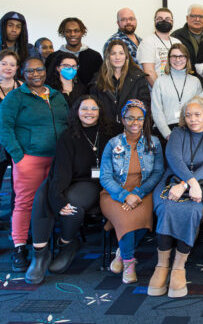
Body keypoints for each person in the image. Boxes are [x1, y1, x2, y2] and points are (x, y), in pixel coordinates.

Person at [25, 95, 116, 284]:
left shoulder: (111, 132)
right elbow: (61, 170)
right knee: (43, 195)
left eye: (93, 109)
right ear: (77, 111)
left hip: (91, 183)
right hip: (68, 178)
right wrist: (58, 199)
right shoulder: (68, 135)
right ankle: (40, 253)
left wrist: (62, 201)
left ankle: (66, 244)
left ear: (100, 112)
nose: (89, 113)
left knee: (72, 204)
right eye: (84, 108)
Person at [0, 56, 69, 271]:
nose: (35, 74)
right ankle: (20, 248)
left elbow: (67, 122)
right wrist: (18, 156)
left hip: (57, 159)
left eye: (39, 70)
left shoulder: (57, 96)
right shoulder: (15, 97)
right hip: (29, 159)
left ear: (45, 72)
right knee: (25, 203)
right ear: (24, 73)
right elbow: (4, 128)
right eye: (30, 71)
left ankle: (46, 243)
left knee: (51, 200)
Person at [150, 96, 203, 298]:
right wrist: (187, 183)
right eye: (188, 115)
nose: (192, 119)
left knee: (192, 210)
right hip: (172, 181)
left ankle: (179, 267)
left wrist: (189, 184)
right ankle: (162, 264)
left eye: (197, 114)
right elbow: (174, 160)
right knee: (166, 206)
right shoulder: (177, 134)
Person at [100, 100, 164, 284]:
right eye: (130, 118)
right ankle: (129, 262)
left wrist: (138, 193)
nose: (135, 122)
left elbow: (158, 172)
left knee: (143, 219)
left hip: (144, 191)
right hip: (114, 193)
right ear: (122, 119)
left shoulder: (154, 143)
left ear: (144, 120)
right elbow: (105, 177)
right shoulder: (113, 144)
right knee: (126, 218)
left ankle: (121, 253)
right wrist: (124, 196)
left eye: (139, 118)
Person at [90, 39, 150, 127]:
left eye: (121, 53)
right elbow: (94, 108)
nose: (117, 57)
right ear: (108, 56)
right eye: (113, 53)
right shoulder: (97, 80)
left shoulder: (138, 78)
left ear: (126, 56)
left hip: (131, 129)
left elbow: (146, 105)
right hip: (105, 130)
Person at [151, 44, 202, 142]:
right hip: (165, 132)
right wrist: (167, 134)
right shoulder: (160, 82)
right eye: (174, 56)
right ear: (169, 59)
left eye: (181, 56)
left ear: (187, 58)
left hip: (190, 130)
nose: (177, 60)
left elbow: (199, 110)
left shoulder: (195, 82)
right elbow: (156, 111)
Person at [45, 17, 103, 86]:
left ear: (82, 32)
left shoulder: (95, 57)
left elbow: (100, 83)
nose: (72, 34)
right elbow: (48, 82)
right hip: (60, 96)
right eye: (68, 31)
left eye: (76, 31)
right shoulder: (52, 58)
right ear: (63, 33)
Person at [0, 50, 21, 193]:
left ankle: (16, 215)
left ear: (17, 68)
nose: (8, 67)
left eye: (12, 64)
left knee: (18, 185)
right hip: (0, 142)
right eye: (4, 63)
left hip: (18, 140)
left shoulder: (23, 87)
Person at [137, 8, 175, 87]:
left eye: (167, 19)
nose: (164, 21)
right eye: (160, 19)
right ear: (155, 22)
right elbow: (149, 72)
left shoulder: (177, 42)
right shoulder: (148, 42)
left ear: (172, 22)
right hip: (157, 92)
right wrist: (160, 92)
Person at [171, 4, 203, 71]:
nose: (197, 19)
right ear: (187, 18)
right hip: (184, 77)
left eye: (201, 16)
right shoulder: (176, 36)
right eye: (193, 16)